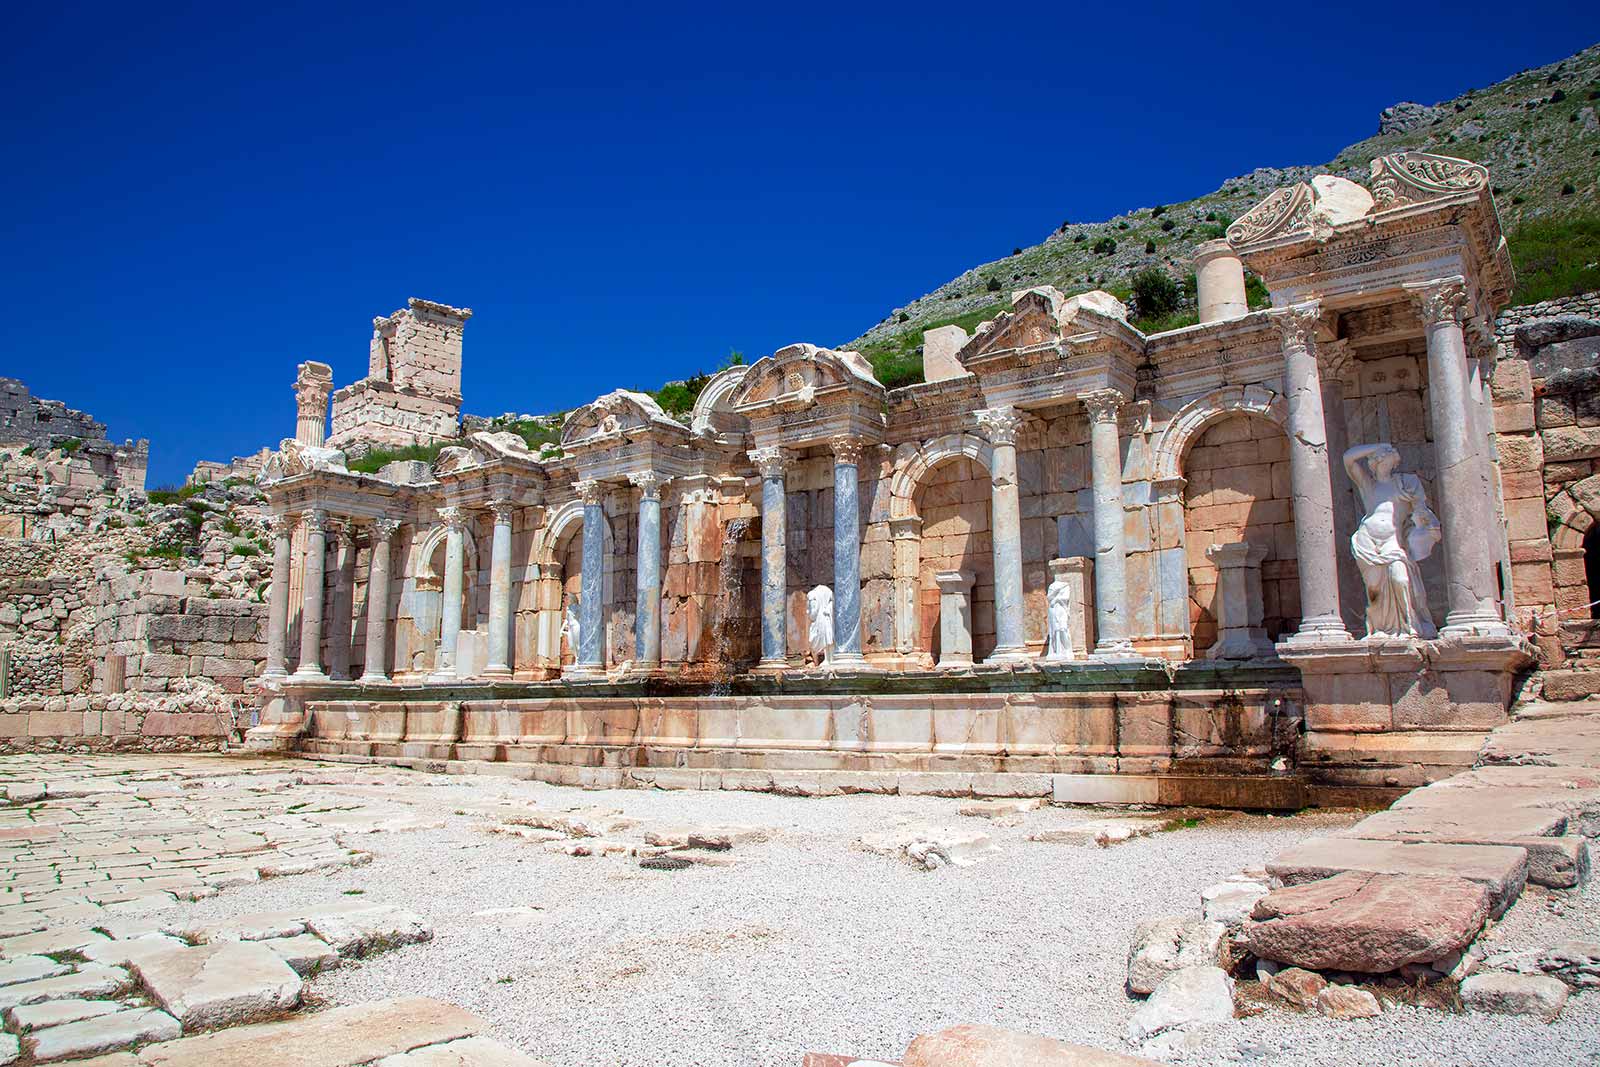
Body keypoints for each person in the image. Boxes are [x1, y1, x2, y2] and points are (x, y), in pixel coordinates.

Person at [1343, 443, 1440, 639]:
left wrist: (1420, 516)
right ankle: (1382, 629)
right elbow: (1348, 458)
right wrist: (1377, 446)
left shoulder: (1406, 483)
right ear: (1374, 462)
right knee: (1375, 590)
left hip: (1393, 540)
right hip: (1367, 541)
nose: (1383, 462)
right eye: (1379, 459)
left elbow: (1421, 510)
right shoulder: (1368, 485)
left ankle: (1409, 627)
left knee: (1400, 579)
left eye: (1387, 458)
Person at [806, 585, 834, 667]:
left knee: (826, 638)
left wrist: (810, 614)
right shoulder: (827, 593)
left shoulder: (812, 595)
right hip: (825, 618)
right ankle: (827, 658)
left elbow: (813, 613)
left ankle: (828, 659)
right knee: (827, 638)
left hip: (820, 619)